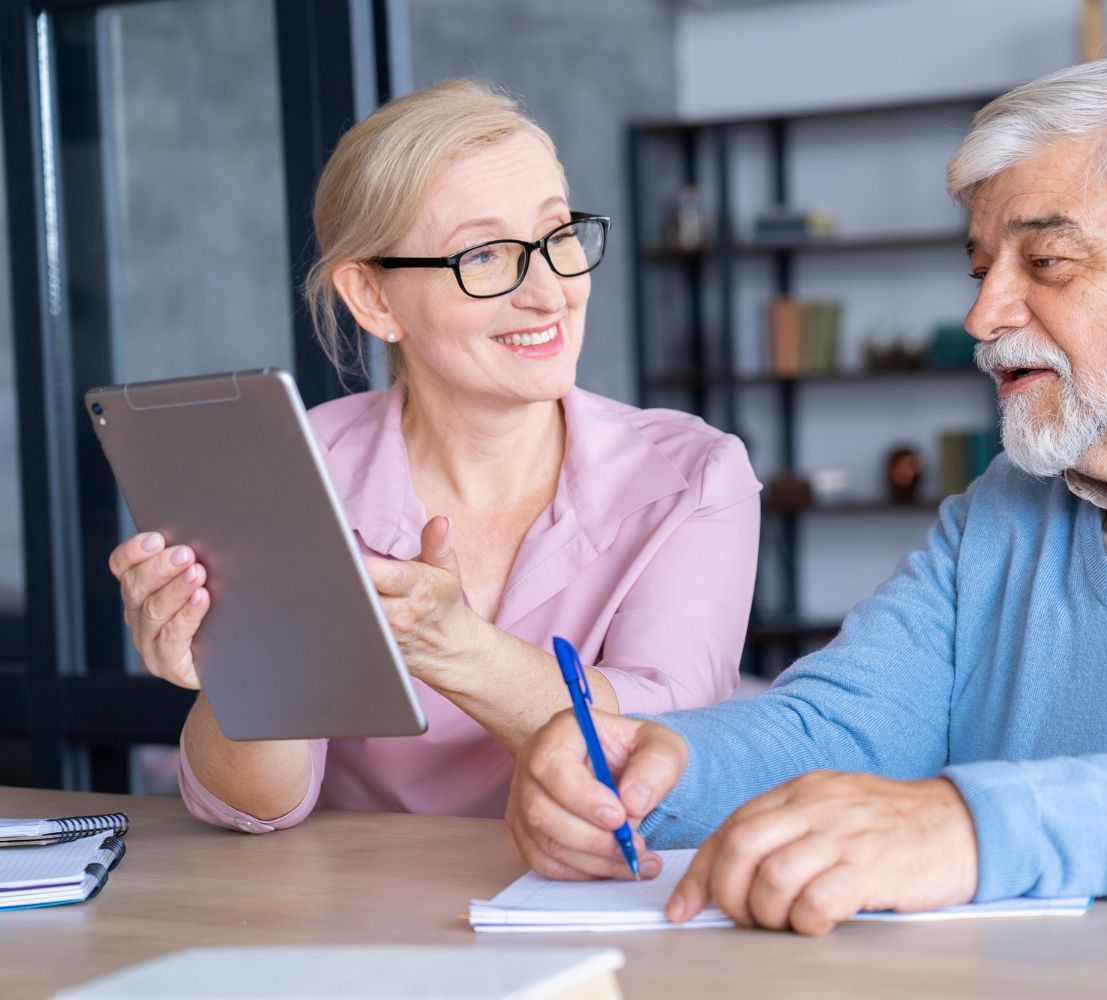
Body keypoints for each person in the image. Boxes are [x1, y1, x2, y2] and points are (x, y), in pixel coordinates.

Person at [506, 56, 1107, 936]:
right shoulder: (1007, 504)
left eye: (1048, 261)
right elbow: (846, 724)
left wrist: (977, 826)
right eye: (982, 267)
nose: (984, 314)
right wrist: (659, 763)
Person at [107, 80, 761, 832]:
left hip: (603, 906)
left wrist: (458, 650)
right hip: (353, 923)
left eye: (557, 236)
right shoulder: (299, 469)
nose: (550, 293)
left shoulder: (694, 476)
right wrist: (241, 679)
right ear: (373, 300)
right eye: (484, 256)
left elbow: (667, 764)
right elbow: (256, 809)